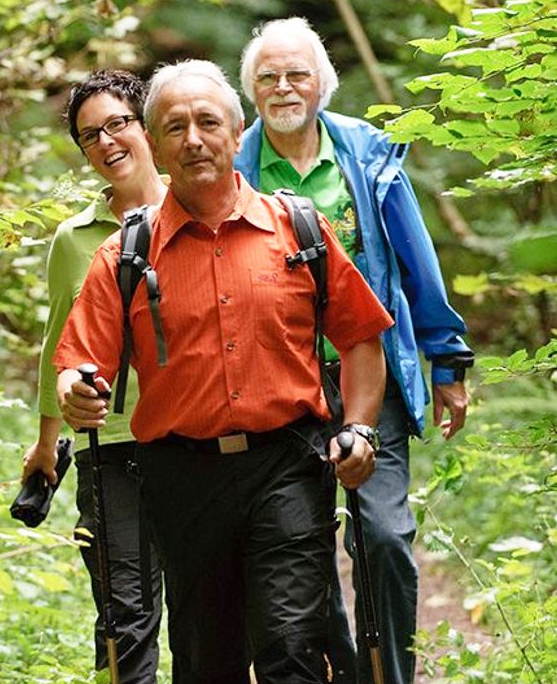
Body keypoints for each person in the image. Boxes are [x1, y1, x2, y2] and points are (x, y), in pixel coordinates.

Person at [54, 59, 395, 684]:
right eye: (175, 127)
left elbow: (361, 339)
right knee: (207, 660)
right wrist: (75, 390)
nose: (193, 140)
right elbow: (79, 362)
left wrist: (361, 428)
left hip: (288, 464)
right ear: (155, 145)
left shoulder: (299, 230)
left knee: (292, 647)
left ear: (238, 134)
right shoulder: (124, 254)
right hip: (180, 479)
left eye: (208, 123)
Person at [235, 17, 475, 684]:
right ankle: (347, 669)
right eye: (267, 76)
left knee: (383, 537)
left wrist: (447, 358)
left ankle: (389, 674)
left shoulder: (365, 153)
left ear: (322, 83)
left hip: (373, 371)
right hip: (281, 382)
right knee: (300, 546)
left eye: (297, 74)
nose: (283, 87)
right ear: (251, 90)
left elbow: (414, 261)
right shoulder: (234, 166)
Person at [21, 70, 167, 683]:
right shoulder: (73, 239)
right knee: (124, 619)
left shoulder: (201, 210)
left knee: (209, 617)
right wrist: (46, 441)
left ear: (146, 126)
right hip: (110, 446)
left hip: (198, 440)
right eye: (89, 135)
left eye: (117, 124)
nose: (106, 142)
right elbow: (59, 342)